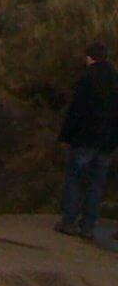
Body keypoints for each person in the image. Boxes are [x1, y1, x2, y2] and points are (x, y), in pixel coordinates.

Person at [56, 40, 118, 239]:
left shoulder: (87, 79)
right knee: (97, 184)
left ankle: (69, 221)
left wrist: (65, 136)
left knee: (74, 180)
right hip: (108, 142)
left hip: (85, 139)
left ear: (89, 57)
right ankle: (88, 225)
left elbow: (76, 111)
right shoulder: (115, 79)